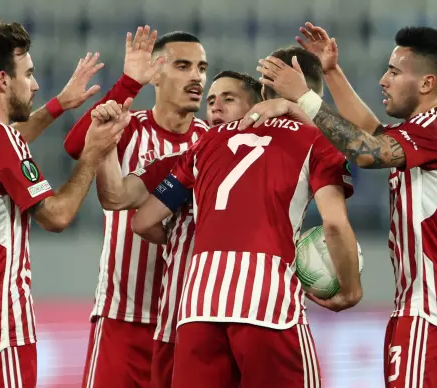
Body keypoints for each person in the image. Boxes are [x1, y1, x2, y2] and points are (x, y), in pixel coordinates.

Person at [246, 23, 437, 387]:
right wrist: (331, 71)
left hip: (434, 308)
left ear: (426, 83)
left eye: (394, 71)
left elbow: (365, 152)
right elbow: (372, 134)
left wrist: (305, 97)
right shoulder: (432, 130)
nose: (383, 81)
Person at [131, 47, 361, 388]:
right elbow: (334, 223)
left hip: (198, 305)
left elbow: (143, 221)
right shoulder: (317, 140)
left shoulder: (207, 142)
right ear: (314, 95)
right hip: (267, 304)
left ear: (263, 91)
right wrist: (351, 289)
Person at [0, 21, 127, 387]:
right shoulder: (0, 141)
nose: (36, 85)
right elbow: (57, 216)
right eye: (29, 74)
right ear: (3, 81)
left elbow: (4, 146)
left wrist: (59, 105)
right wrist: (93, 155)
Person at [89, 70, 261, 388]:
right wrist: (107, 144)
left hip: (249, 323)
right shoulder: (183, 161)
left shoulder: (277, 160)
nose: (217, 108)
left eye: (228, 99)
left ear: (256, 110)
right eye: (211, 101)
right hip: (187, 324)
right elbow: (123, 205)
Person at [63, 29, 209, 388]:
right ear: (156, 74)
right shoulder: (129, 127)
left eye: (202, 68)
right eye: (183, 65)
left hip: (182, 324)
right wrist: (128, 82)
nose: (197, 77)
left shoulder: (211, 142)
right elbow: (75, 145)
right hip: (121, 318)